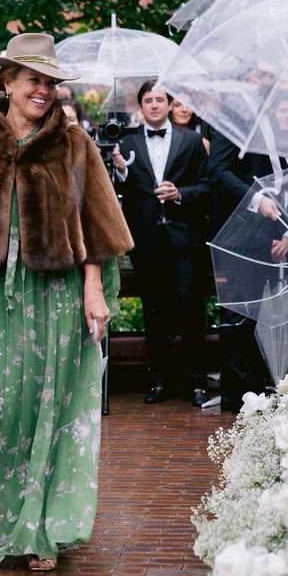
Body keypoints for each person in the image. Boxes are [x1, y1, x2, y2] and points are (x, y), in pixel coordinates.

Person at [0, 34, 131, 571]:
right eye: (34, 81)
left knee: (54, 405)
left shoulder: (74, 145)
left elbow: (99, 225)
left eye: (51, 83)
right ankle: (12, 523)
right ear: (7, 82)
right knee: (8, 410)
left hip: (59, 295)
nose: (44, 91)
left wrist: (94, 290)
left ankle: (46, 530)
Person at [113, 78, 211, 406]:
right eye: (148, 101)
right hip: (146, 238)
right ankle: (158, 380)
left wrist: (181, 193)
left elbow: (208, 187)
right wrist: (121, 172)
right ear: (140, 107)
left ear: (170, 104)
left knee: (190, 309)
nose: (154, 105)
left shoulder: (192, 140)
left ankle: (197, 381)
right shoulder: (124, 141)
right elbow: (118, 189)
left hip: (184, 239)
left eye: (159, 100)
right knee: (153, 312)